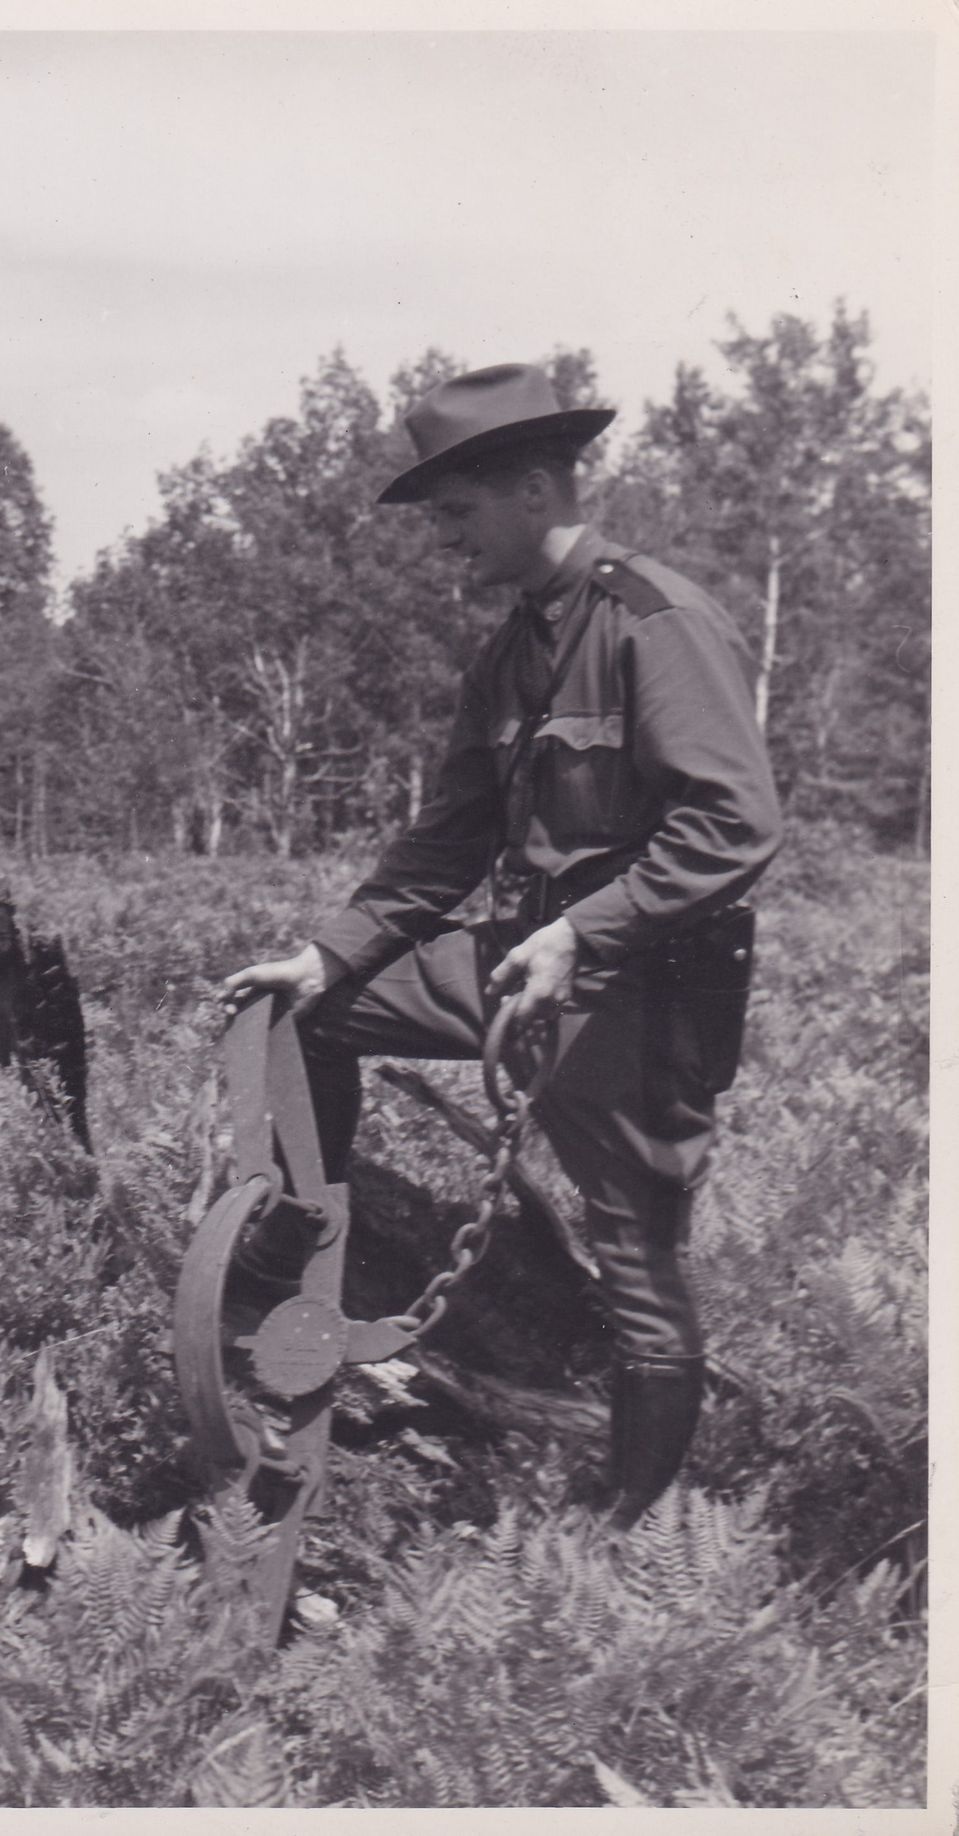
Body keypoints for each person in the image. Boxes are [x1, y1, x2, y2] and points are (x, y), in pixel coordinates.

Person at [222, 364, 781, 1527]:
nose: (442, 539)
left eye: (456, 512)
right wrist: (327, 955)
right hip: (516, 959)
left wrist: (584, 929)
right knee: (307, 1014)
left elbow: (733, 825)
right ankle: (304, 1258)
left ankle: (624, 1540)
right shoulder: (508, 654)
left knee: (635, 1262)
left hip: (633, 993)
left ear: (533, 489)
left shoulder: (653, 625)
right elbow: (447, 841)